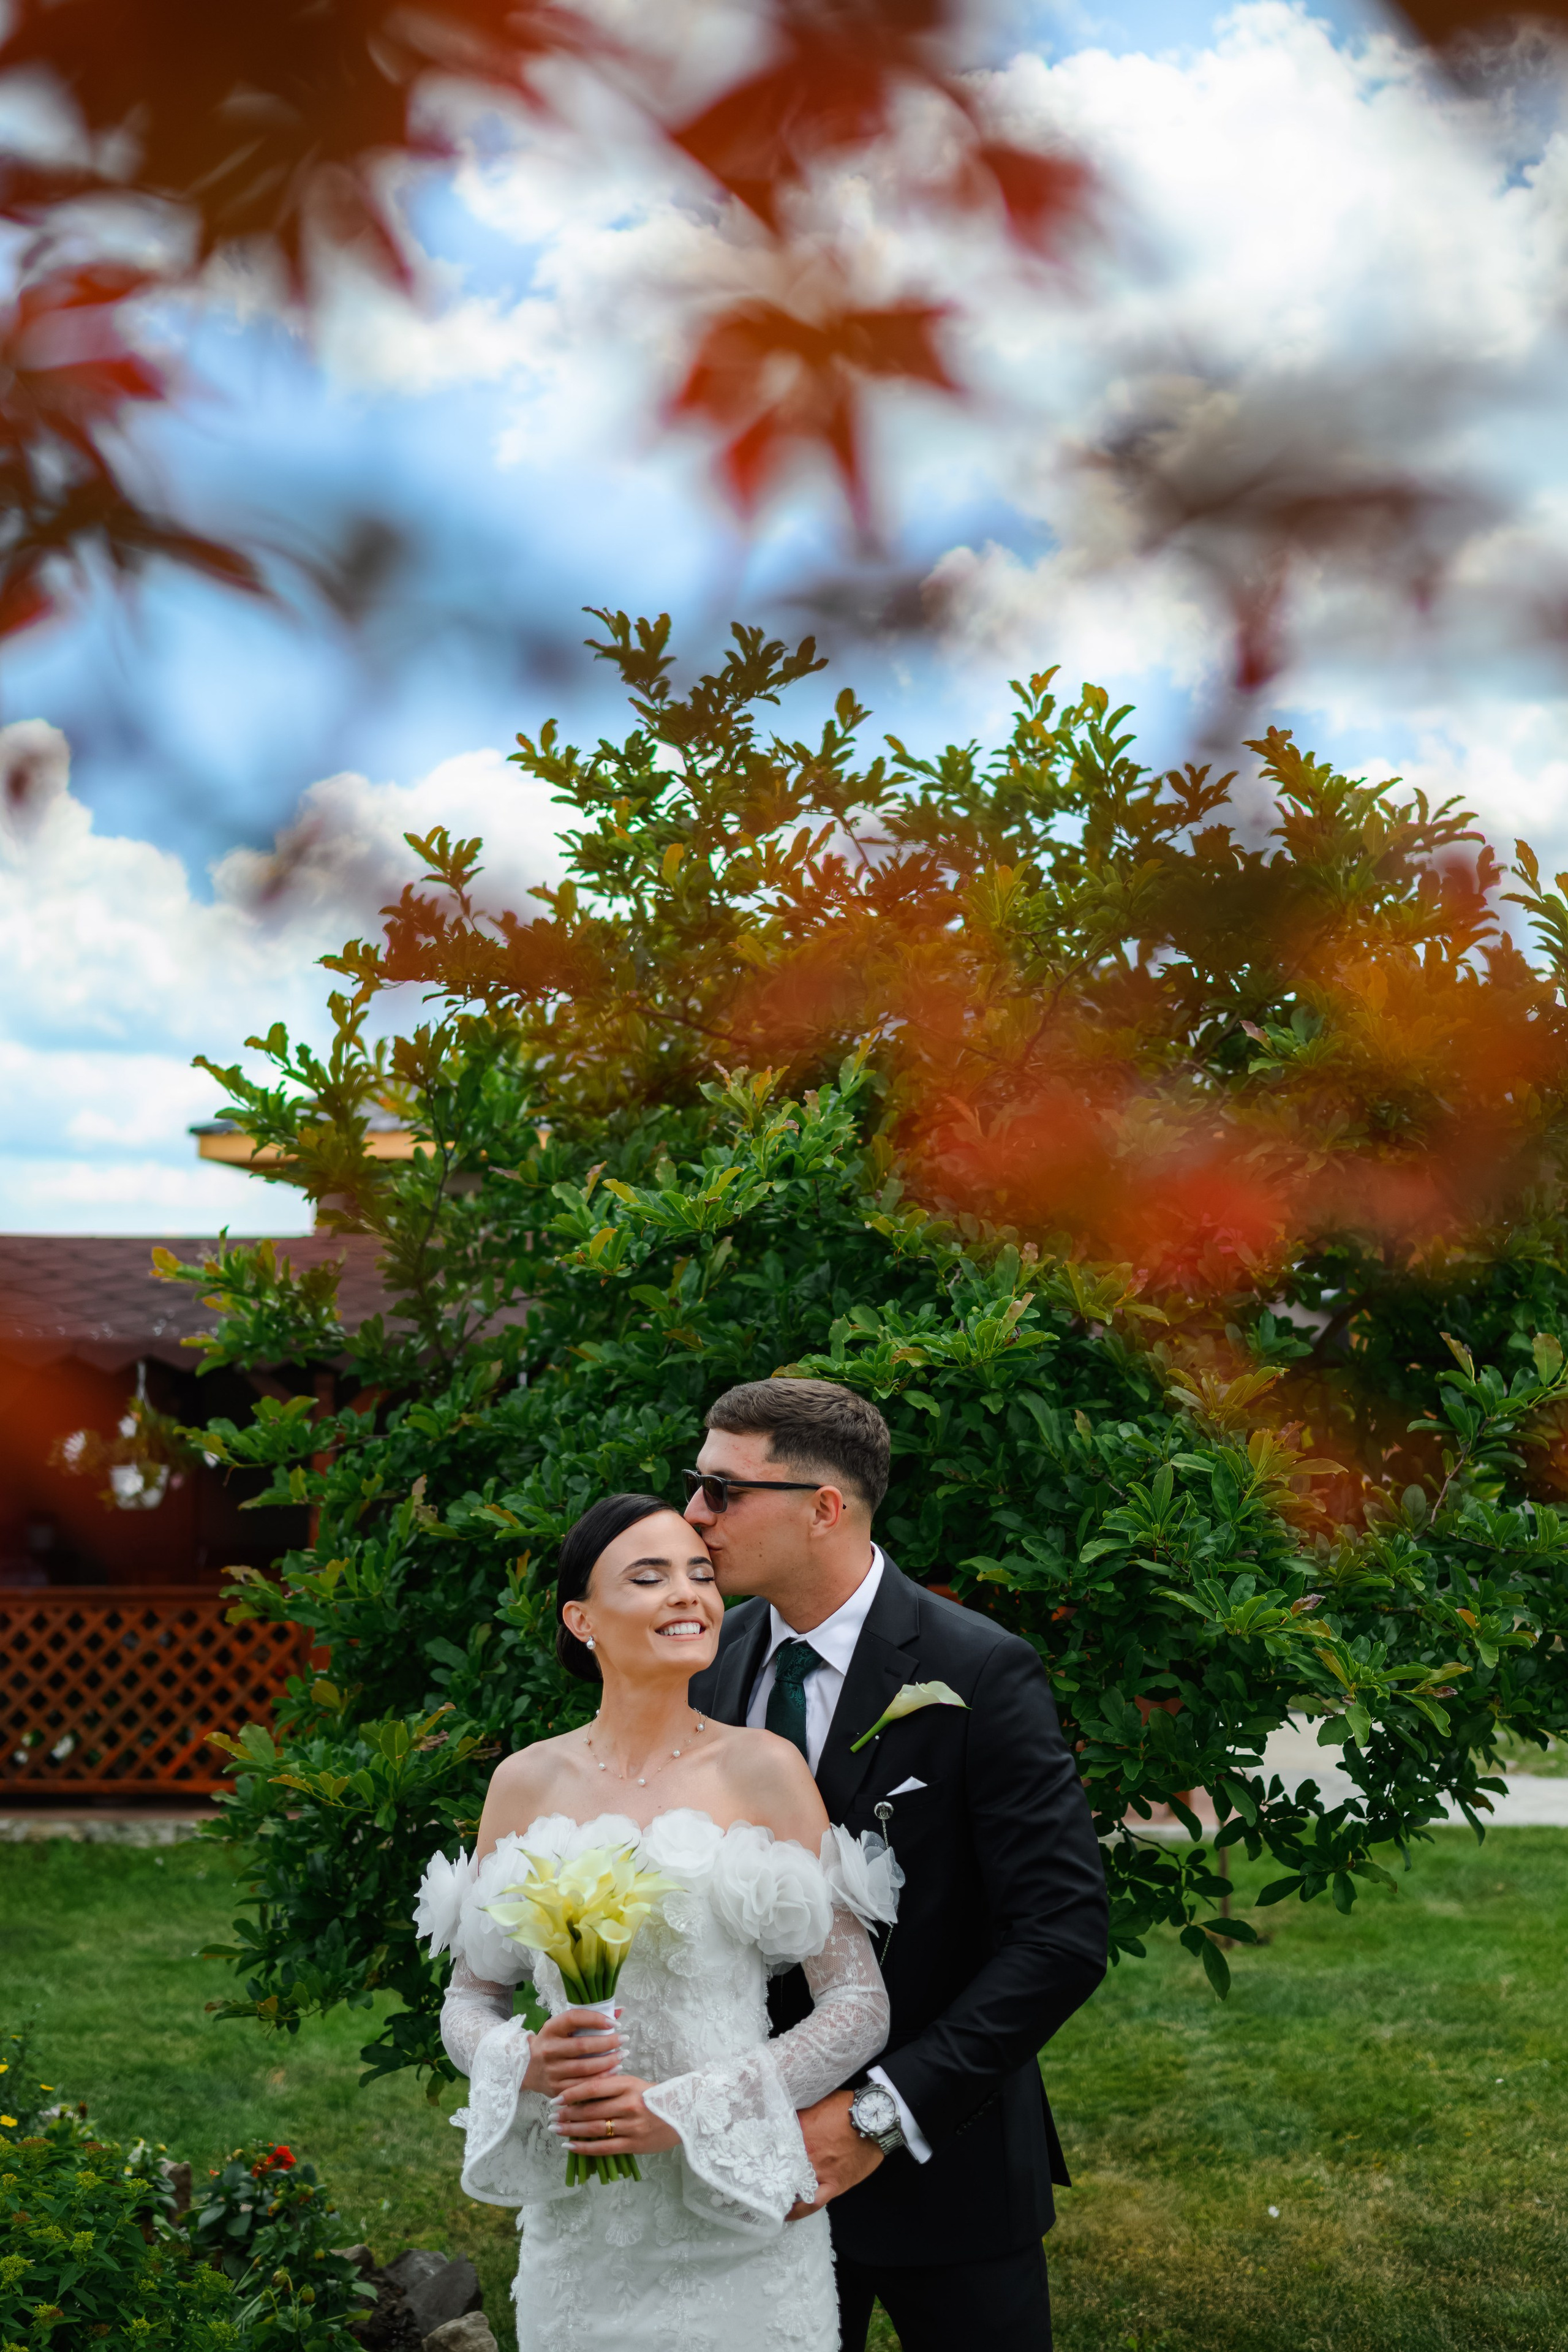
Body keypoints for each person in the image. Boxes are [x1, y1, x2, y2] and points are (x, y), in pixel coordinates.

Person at [413, 1491, 899, 2352]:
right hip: (582, 2228)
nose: (689, 1594)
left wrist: (687, 2110)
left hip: (739, 2220)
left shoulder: (766, 1769)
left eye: (701, 1574)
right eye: (650, 1576)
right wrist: (518, 2059)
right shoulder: (524, 1784)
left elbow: (858, 2003)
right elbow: (468, 1999)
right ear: (582, 1617)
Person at [685, 1378, 1109, 2352]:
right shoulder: (707, 1657)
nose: (694, 1515)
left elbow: (1062, 1935)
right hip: (743, 2170)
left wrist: (880, 2114)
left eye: (723, 1490)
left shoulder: (979, 1671)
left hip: (944, 2170)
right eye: (695, 1486)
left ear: (824, 1508)